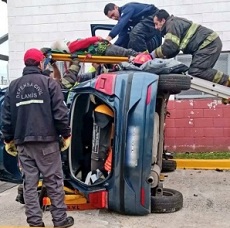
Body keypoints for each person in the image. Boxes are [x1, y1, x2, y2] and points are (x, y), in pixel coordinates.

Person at [1, 48, 74, 228]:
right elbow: (60, 113)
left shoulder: (13, 86)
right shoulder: (49, 84)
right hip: (47, 143)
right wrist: (66, 134)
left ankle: (35, 223)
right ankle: (60, 221)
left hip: (23, 144)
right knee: (54, 183)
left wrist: (8, 139)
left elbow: (6, 117)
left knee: (30, 185)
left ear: (26, 63)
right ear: (41, 63)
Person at [151, 9, 230, 88]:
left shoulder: (171, 24)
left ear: (163, 21)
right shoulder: (174, 23)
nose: (156, 27)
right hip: (209, 43)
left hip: (208, 43)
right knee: (199, 71)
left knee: (197, 71)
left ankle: (227, 82)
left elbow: (170, 47)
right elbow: (173, 50)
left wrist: (152, 55)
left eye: (156, 24)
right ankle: (226, 88)